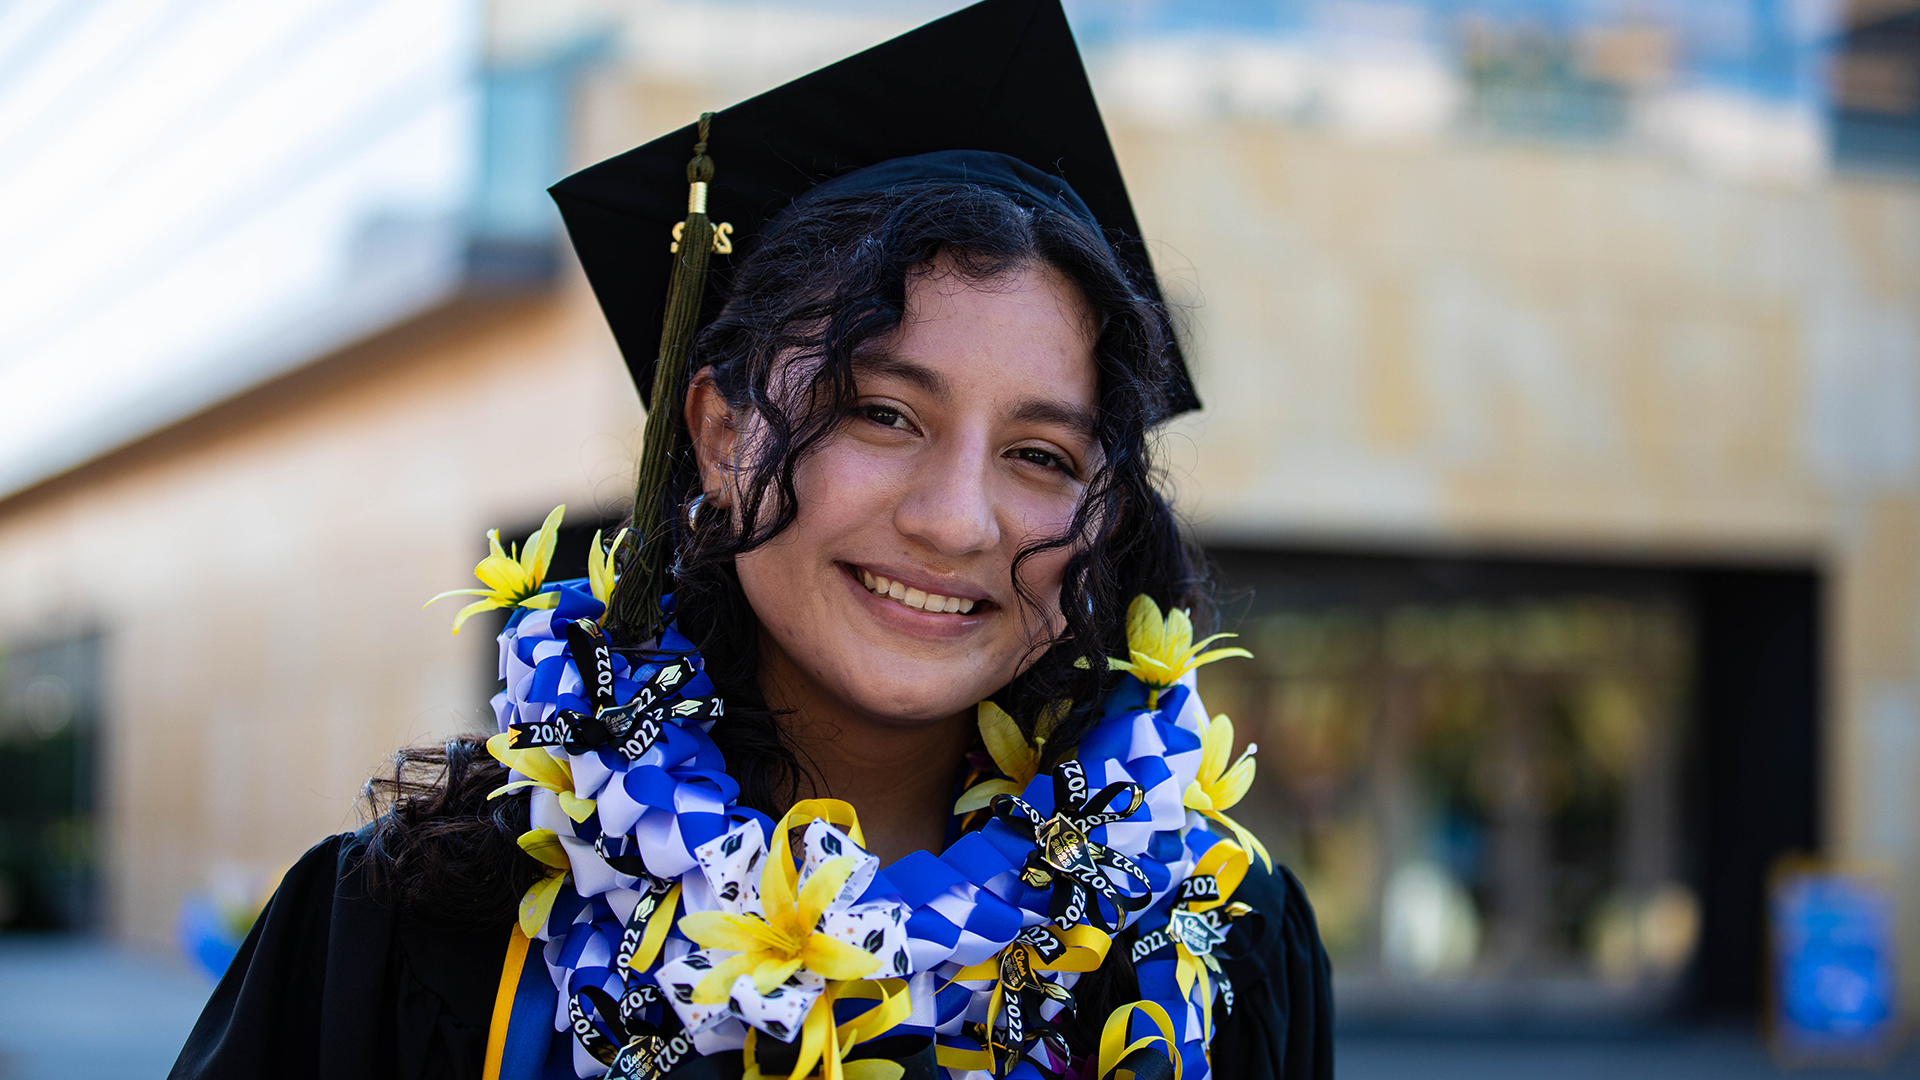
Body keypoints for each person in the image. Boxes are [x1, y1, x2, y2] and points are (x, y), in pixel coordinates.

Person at [169, 2, 1332, 1079]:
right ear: (722, 432)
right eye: (882, 413)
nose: (954, 518)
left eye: (1042, 456)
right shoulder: (413, 925)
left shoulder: (1216, 946)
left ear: (1106, 520)